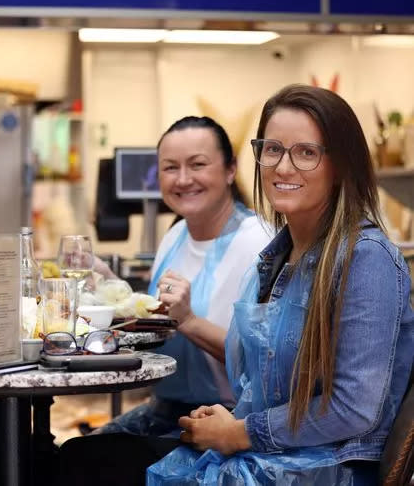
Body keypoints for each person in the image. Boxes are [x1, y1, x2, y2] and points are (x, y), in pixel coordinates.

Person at [146, 85, 414, 484]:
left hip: (327, 470)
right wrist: (225, 420)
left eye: (306, 152)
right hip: (273, 456)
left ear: (339, 165)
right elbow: (255, 380)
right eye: (272, 149)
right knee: (92, 460)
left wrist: (240, 432)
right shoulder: (274, 259)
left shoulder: (366, 258)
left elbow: (355, 409)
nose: (283, 168)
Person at [59, 116, 273, 486]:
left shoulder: (259, 243)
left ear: (230, 170)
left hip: (227, 422)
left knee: (81, 464)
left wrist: (189, 318)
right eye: (170, 168)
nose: (183, 179)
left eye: (198, 164)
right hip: (166, 410)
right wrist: (109, 286)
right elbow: (157, 318)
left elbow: (268, 360)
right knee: (60, 457)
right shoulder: (175, 235)